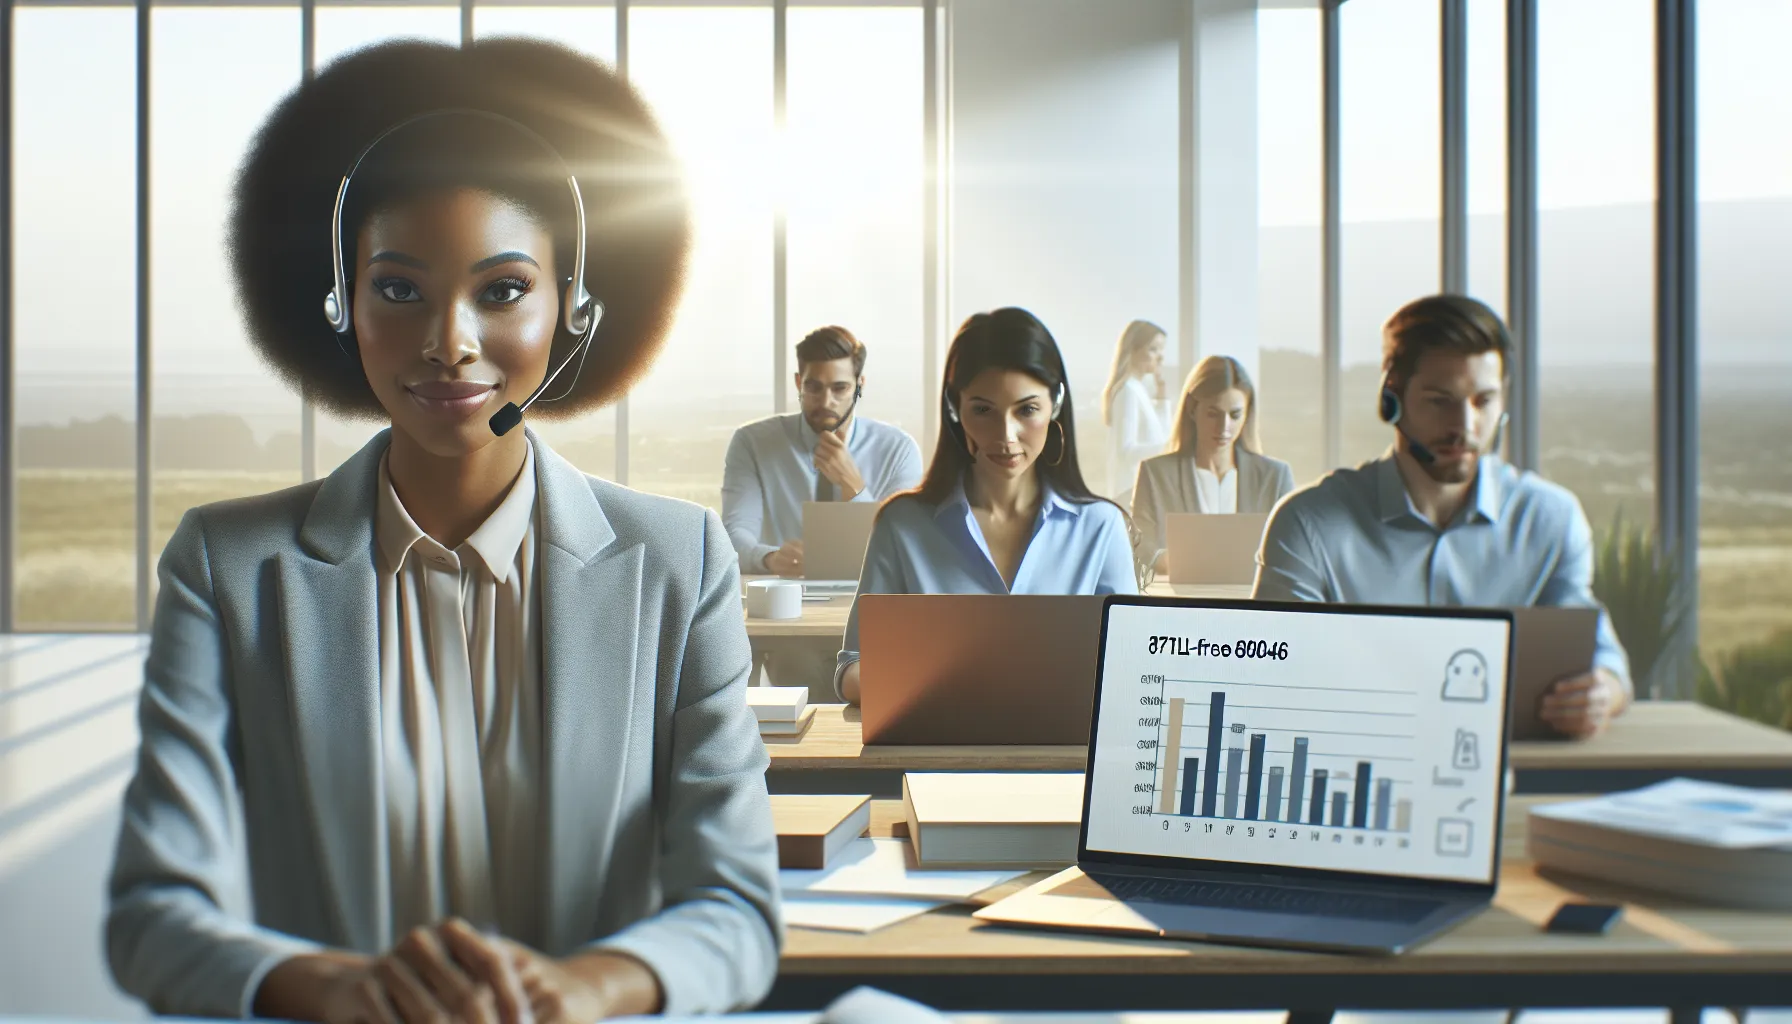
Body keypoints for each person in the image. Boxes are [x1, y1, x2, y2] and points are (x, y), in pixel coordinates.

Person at [105, 39, 780, 1023]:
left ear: (572, 308)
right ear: (344, 303)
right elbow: (153, 920)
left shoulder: (681, 563)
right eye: (398, 289)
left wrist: (581, 989)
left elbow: (738, 912)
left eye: (502, 291)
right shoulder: (227, 567)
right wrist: (344, 989)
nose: (448, 341)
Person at [1252, 294, 1632, 738]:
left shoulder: (1550, 519)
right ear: (1391, 400)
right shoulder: (1308, 525)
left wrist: (1602, 693)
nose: (1465, 426)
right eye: (1440, 401)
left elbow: (1605, 663)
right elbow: (1269, 675)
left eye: (1483, 400)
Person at [835, 308, 1140, 705]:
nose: (1006, 435)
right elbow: (853, 667)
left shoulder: (1101, 527)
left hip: (1063, 746)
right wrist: (944, 690)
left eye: (1027, 410)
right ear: (954, 408)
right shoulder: (903, 525)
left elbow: (1133, 670)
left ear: (1056, 403)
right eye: (983, 410)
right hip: (937, 742)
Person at [721, 325, 923, 578]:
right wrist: (771, 558)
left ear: (859, 386)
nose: (826, 402)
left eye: (840, 388)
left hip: (868, 594)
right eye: (814, 387)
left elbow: (903, 550)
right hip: (782, 594)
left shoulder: (898, 451)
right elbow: (732, 539)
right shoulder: (752, 443)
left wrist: (854, 487)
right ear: (799, 383)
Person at [1130, 354, 1296, 572]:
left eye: (1235, 415)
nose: (1224, 427)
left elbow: (1292, 550)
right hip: (1177, 593)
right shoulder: (1156, 474)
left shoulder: (1275, 476)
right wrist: (1169, 562)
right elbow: (1139, 547)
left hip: (1253, 594)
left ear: (1247, 414)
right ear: (1192, 409)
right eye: (1213, 414)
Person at [1100, 319, 1172, 508]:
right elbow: (1126, 451)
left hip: (1141, 493)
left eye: (1162, 350)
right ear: (1133, 350)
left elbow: (1162, 435)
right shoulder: (1128, 391)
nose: (1160, 357)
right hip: (1130, 495)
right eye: (1153, 349)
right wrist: (1170, 448)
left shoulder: (1138, 389)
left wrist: (1162, 394)